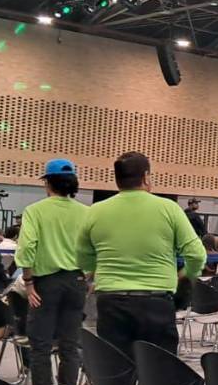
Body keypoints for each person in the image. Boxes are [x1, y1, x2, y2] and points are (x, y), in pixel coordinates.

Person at [77, 151, 204, 356]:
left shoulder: (95, 211)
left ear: (117, 180)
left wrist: (93, 272)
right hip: (156, 302)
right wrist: (187, 274)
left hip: (111, 302)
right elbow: (197, 254)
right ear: (146, 176)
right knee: (158, 373)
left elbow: (82, 255)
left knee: (117, 368)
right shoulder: (169, 209)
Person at [15, 159, 89, 385]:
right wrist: (87, 277)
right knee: (70, 343)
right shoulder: (86, 212)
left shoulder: (35, 211)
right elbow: (95, 249)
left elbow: (26, 248)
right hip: (76, 281)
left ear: (47, 183)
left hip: (45, 284)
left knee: (41, 344)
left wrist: (28, 282)